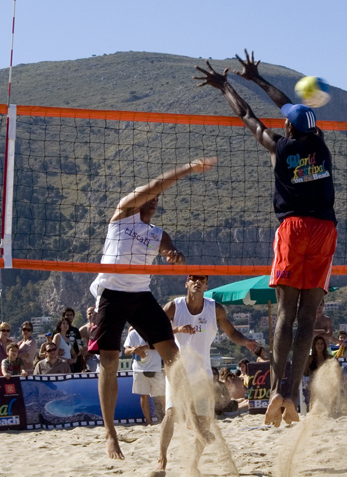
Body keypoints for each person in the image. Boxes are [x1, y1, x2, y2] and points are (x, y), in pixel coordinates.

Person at [195, 51, 337, 428]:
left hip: (293, 229)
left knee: (286, 313)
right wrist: (257, 79)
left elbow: (248, 117)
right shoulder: (320, 145)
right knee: (308, 317)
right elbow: (288, 106)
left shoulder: (280, 148)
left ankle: (276, 389)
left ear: (289, 129)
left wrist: (227, 84)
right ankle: (291, 392)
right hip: (324, 230)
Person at [88, 157, 216, 459]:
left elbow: (171, 248)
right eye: (150, 196)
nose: (154, 200)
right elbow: (157, 184)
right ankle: (110, 433)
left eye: (157, 200)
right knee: (108, 359)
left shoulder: (157, 233)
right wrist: (188, 168)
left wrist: (175, 255)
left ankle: (194, 421)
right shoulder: (124, 213)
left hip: (141, 294)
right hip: (112, 292)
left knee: (173, 356)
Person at [156, 274, 258, 475]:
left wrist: (246, 342)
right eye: (193, 278)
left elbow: (231, 333)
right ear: (186, 283)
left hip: (201, 372)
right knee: (170, 413)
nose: (197, 281)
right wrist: (177, 329)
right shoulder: (174, 307)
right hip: (177, 368)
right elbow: (156, 329)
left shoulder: (215, 308)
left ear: (207, 284)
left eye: (202, 279)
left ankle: (193, 463)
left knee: (205, 421)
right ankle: (162, 459)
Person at [124, 326, 166, 426]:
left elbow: (160, 345)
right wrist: (135, 350)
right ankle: (148, 421)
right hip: (139, 368)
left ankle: (167, 419)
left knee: (162, 396)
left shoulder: (155, 331)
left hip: (155, 367)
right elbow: (126, 351)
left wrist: (144, 347)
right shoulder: (133, 333)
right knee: (144, 395)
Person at [62, 307, 84, 373]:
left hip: (75, 361)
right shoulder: (58, 331)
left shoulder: (76, 330)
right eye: (67, 315)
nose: (69, 317)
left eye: (71, 315)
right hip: (62, 360)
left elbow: (81, 346)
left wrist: (83, 349)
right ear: (64, 316)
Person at [80, 306, 100, 372]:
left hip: (102, 356)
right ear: (86, 316)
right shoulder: (83, 329)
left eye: (93, 313)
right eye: (89, 313)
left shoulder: (101, 327)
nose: (91, 315)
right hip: (90, 358)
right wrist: (83, 350)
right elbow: (78, 342)